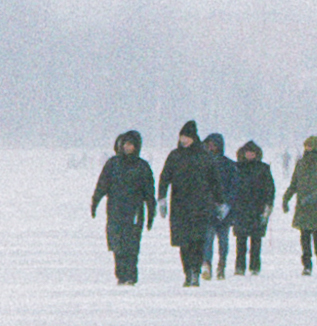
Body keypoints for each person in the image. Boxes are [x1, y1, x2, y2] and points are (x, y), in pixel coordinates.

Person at [90, 130, 156, 285]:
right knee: (117, 245)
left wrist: (151, 214)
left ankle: (131, 277)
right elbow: (102, 184)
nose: (127, 147)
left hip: (134, 212)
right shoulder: (113, 164)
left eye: (131, 145)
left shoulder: (142, 167)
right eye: (125, 144)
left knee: (132, 246)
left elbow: (149, 193)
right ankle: (121, 275)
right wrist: (95, 201)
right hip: (115, 211)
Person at [157, 120, 218, 287]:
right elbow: (164, 177)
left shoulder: (205, 156)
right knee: (184, 242)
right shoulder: (175, 156)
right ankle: (187, 271)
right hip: (180, 206)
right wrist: (161, 197)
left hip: (201, 205)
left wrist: (219, 202)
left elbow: (214, 180)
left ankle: (195, 272)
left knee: (197, 241)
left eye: (187, 137)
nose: (184, 140)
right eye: (182, 137)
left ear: (193, 138)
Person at [284, 135, 317, 275]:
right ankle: (306, 265)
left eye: (310, 146)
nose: (308, 148)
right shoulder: (300, 164)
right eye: (306, 146)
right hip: (303, 208)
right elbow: (294, 184)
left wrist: (314, 197)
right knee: (304, 238)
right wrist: (286, 198)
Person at [228, 141, 276, 274]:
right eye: (247, 152)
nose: (249, 155)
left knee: (256, 240)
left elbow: (270, 189)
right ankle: (239, 267)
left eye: (252, 152)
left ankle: (255, 267)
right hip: (240, 208)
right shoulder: (236, 168)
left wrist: (268, 205)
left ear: (257, 154)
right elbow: (231, 187)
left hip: (257, 209)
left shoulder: (263, 168)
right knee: (240, 241)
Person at [202, 133, 237, 279]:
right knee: (207, 240)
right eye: (208, 144)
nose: (211, 147)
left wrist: (226, 203)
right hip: (208, 208)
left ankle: (221, 265)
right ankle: (207, 265)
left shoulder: (228, 164)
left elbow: (234, 186)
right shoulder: (201, 163)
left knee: (223, 241)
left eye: (214, 145)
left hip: (225, 209)